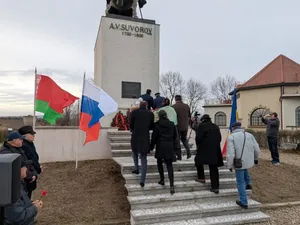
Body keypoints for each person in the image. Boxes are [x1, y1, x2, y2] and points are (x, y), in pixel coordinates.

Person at [226, 122, 260, 209]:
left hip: (239, 162)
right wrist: (256, 158)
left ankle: (243, 201)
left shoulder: (231, 137)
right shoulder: (249, 135)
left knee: (240, 182)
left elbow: (230, 153)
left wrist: (229, 165)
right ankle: (249, 183)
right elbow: (256, 148)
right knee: (245, 168)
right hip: (248, 160)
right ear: (240, 127)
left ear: (233, 128)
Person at [4, 160, 43, 225]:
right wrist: (35, 207)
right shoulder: (11, 191)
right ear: (16, 170)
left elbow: (19, 205)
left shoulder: (17, 183)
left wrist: (30, 204)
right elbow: (18, 217)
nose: (26, 169)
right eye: (24, 167)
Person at [0, 131, 38, 198]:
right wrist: (30, 176)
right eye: (20, 139)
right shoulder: (6, 153)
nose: (22, 141)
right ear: (14, 140)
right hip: (16, 186)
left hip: (26, 183)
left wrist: (34, 173)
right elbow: (16, 169)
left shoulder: (20, 149)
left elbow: (27, 162)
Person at [194, 114, 223, 194]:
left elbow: (198, 139)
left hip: (204, 149)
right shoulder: (216, 126)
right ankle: (215, 187)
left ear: (203, 120)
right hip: (215, 150)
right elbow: (220, 138)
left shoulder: (202, 126)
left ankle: (201, 178)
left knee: (198, 161)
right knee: (214, 168)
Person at [150, 110, 177, 195]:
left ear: (159, 116)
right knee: (169, 165)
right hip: (169, 145)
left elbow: (154, 137)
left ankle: (162, 179)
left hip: (160, 145)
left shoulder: (157, 124)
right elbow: (175, 136)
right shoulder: (172, 124)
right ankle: (171, 184)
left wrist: (151, 147)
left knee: (159, 162)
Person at [130, 101, 154, 187]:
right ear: (146, 106)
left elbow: (131, 125)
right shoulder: (150, 114)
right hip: (145, 138)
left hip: (135, 137)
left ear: (139, 106)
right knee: (144, 159)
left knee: (134, 152)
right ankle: (142, 180)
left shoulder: (134, 113)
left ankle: (136, 168)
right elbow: (151, 126)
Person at [18, 126, 42, 199]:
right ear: (24, 135)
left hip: (32, 172)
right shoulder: (24, 146)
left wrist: (38, 166)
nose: (33, 135)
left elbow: (34, 157)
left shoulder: (30, 143)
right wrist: (38, 168)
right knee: (27, 195)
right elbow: (30, 160)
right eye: (31, 134)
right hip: (28, 174)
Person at [172, 95, 191, 159]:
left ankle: (179, 155)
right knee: (184, 139)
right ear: (181, 99)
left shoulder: (173, 107)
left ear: (175, 99)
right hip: (185, 126)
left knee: (177, 141)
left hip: (177, 126)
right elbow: (189, 115)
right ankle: (188, 151)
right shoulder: (186, 106)